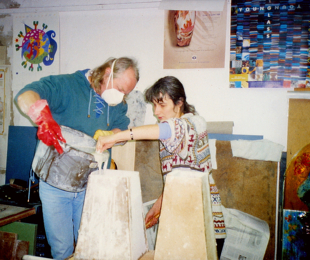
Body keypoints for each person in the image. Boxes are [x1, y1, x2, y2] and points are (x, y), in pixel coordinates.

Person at [15, 57, 139, 260]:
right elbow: (24, 95)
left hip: (91, 186)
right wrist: (41, 116)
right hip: (56, 186)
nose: (121, 96)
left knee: (90, 248)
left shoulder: (116, 104)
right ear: (107, 73)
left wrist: (114, 135)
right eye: (119, 88)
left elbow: (123, 127)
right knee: (62, 250)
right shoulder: (68, 85)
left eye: (126, 92)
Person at [95, 76, 226, 257]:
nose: (156, 112)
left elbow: (168, 130)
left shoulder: (193, 123)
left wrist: (115, 137)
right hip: (183, 212)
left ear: (179, 102)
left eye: (162, 105)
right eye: (154, 105)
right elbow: (180, 175)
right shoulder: (170, 134)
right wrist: (159, 204)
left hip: (203, 221)